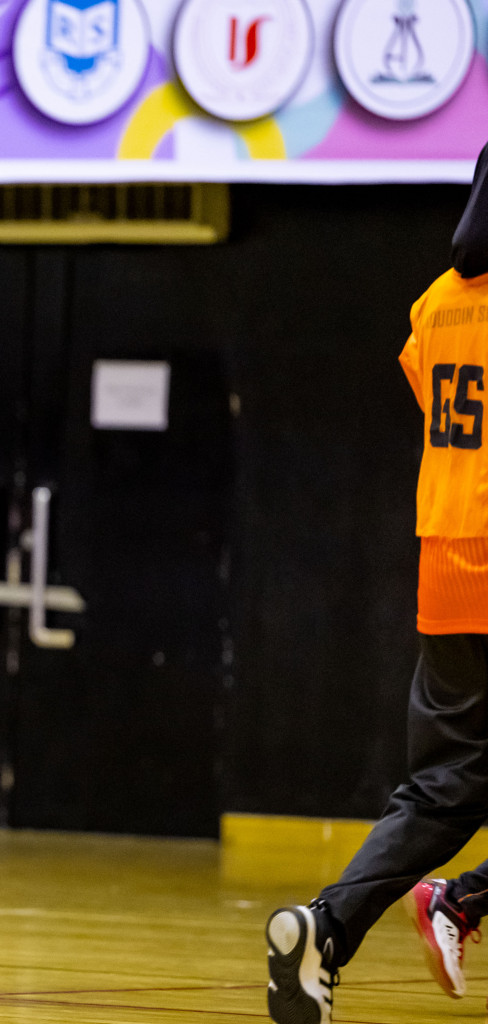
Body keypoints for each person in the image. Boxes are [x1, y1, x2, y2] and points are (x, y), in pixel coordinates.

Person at [264, 141, 488, 1024]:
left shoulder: (436, 302)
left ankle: (329, 923)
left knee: (442, 787)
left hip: (450, 565)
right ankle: (462, 900)